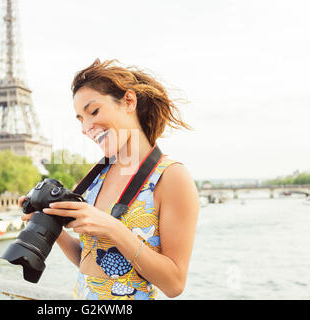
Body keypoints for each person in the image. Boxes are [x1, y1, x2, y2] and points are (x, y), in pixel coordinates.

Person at [18, 59, 199, 300]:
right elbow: (90, 260)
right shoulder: (96, 176)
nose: (86, 127)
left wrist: (112, 227)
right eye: (80, 119)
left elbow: (175, 284)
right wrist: (51, 225)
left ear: (129, 101)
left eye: (93, 111)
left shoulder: (172, 177)